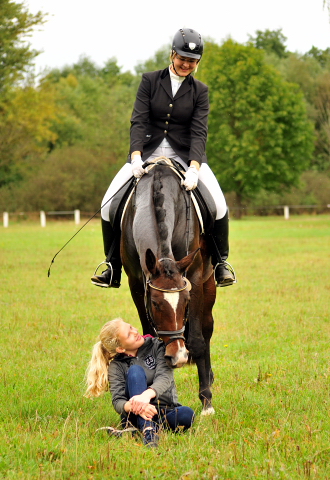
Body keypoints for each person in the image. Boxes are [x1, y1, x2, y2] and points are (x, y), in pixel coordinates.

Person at [91, 28, 235, 289]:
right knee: (106, 204)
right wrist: (135, 157)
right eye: (182, 58)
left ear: (198, 63)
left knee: (219, 205)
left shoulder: (200, 91)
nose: (186, 64)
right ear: (172, 54)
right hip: (146, 154)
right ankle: (112, 265)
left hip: (186, 157)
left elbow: (199, 130)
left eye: (192, 61)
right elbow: (138, 120)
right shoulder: (149, 80)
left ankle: (221, 263)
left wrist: (194, 167)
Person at [85, 318, 195, 448]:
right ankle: (148, 431)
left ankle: (136, 431)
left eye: (131, 327)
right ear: (120, 348)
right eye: (129, 334)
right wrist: (136, 407)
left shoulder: (157, 346)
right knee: (135, 371)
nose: (135, 332)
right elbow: (118, 402)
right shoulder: (116, 366)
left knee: (187, 415)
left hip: (164, 409)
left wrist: (145, 397)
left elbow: (164, 378)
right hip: (134, 415)